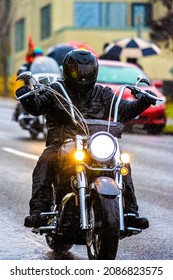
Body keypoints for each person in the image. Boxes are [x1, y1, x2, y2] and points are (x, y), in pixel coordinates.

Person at [16, 49, 157, 229]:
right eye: (77, 70)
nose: (82, 75)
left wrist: (142, 102)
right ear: (67, 70)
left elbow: (123, 110)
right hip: (62, 144)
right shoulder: (56, 90)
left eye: (87, 70)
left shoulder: (102, 93)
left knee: (122, 164)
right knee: (45, 161)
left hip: (96, 144)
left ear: (94, 71)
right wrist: (27, 98)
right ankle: (39, 212)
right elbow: (37, 107)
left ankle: (130, 213)